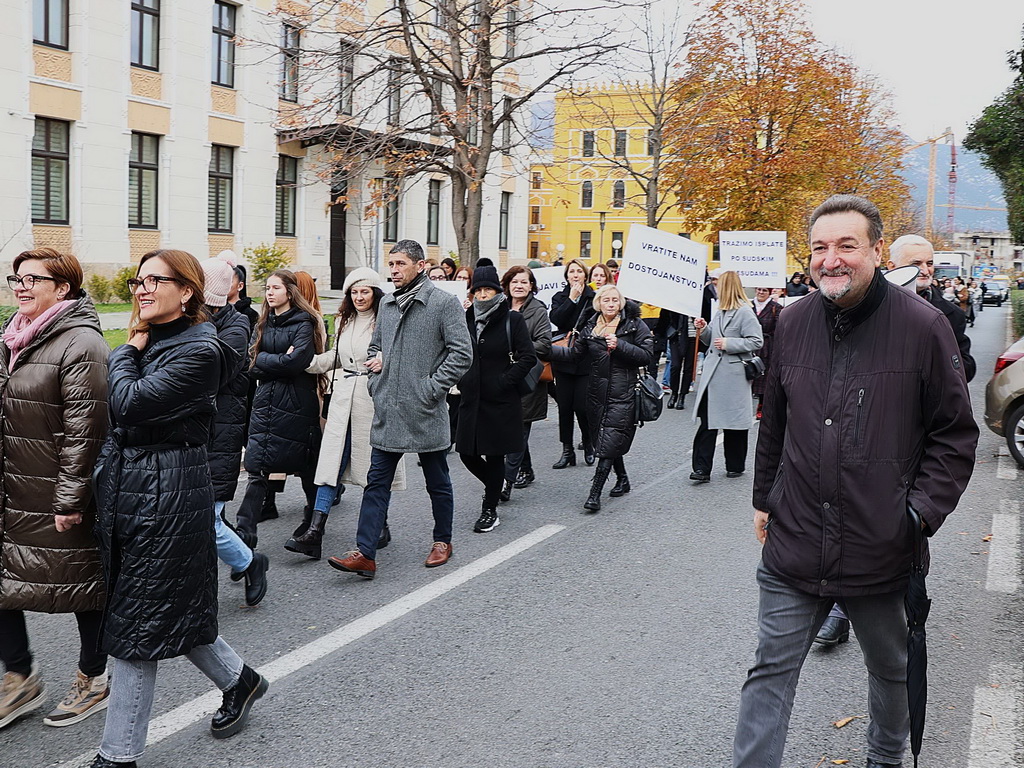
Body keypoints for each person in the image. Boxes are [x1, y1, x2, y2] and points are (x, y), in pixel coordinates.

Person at [733, 195, 978, 768]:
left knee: (890, 671)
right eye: (820, 247)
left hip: (881, 544)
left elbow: (954, 436)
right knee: (769, 670)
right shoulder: (790, 323)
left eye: (847, 246)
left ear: (874, 251)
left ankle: (885, 761)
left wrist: (915, 516)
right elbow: (776, 421)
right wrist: (764, 498)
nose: (831, 259)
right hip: (795, 539)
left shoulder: (923, 326)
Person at [91, 250, 268, 768]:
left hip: (169, 493)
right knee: (164, 608)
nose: (141, 289)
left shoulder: (200, 350)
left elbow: (125, 403)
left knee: (135, 624)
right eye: (137, 280)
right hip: (137, 488)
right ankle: (241, 679)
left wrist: (126, 350)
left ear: (186, 291)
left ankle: (118, 754)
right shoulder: (160, 340)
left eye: (154, 280)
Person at [0, 248, 110, 730]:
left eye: (32, 279)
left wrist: (70, 499)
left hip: (55, 492)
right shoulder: (13, 338)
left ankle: (95, 677)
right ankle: (20, 676)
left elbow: (86, 431)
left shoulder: (81, 343)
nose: (20, 287)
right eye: (15, 279)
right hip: (12, 487)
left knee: (80, 586)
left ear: (62, 288)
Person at [327, 240, 473, 579]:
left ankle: (442, 541)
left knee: (437, 479)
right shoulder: (389, 304)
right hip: (389, 407)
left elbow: (461, 354)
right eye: (390, 264)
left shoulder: (443, 304)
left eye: (400, 264)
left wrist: (430, 388)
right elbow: (376, 347)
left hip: (424, 407)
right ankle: (365, 553)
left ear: (419, 266)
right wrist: (376, 378)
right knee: (376, 481)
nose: (393, 270)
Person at [288, 267, 404, 559]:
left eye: (365, 291)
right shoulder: (344, 320)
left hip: (372, 400)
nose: (359, 297)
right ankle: (315, 531)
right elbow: (335, 357)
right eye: (354, 292)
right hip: (342, 402)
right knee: (331, 467)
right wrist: (304, 361)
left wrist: (383, 363)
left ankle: (380, 525)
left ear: (375, 293)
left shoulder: (387, 320)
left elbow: (397, 356)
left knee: (374, 469)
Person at [234, 270, 324, 548]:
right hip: (266, 401)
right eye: (268, 288)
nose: (269, 292)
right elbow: (251, 360)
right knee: (256, 466)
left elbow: (298, 361)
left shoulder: (304, 322)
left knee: (307, 466)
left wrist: (266, 360)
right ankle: (244, 534)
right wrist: (275, 360)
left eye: (275, 288)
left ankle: (313, 520)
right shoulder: (263, 322)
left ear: (289, 292)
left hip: (297, 403)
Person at [199, 258, 268, 607]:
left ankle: (251, 562)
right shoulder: (193, 321)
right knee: (192, 519)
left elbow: (208, 370)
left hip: (219, 432)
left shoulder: (236, 324)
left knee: (209, 519)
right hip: (194, 432)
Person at [551, 285, 653, 512]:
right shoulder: (589, 325)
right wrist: (544, 350)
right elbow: (574, 355)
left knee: (608, 442)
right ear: (598, 303)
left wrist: (620, 345)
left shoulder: (635, 324)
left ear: (621, 303)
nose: (610, 304)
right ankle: (623, 478)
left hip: (624, 393)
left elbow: (646, 356)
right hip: (596, 393)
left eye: (615, 300)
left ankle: (594, 494)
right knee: (607, 440)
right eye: (606, 300)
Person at [456, 266, 537, 532]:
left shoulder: (511, 319)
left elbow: (528, 358)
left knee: (494, 456)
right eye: (477, 290)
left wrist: (505, 381)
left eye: (487, 289)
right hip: (471, 398)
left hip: (500, 401)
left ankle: (489, 509)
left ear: (497, 290)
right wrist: (461, 380)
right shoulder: (465, 318)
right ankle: (495, 482)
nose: (482, 295)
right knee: (466, 452)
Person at [690, 271, 763, 484]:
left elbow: (756, 341)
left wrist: (730, 343)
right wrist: (702, 329)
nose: (715, 287)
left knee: (733, 424)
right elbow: (711, 339)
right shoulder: (720, 311)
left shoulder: (744, 312)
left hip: (732, 376)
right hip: (714, 375)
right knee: (708, 421)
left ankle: (735, 465)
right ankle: (702, 469)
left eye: (718, 284)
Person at [886, 235, 976, 384]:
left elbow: (966, 368)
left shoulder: (953, 314)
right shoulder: (866, 305)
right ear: (892, 266)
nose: (925, 270)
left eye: (929, 263)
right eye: (916, 263)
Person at [501, 266, 552, 497]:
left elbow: (545, 343)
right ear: (507, 285)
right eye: (515, 282)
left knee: (518, 426)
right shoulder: (499, 307)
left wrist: (519, 348)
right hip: (502, 376)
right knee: (513, 426)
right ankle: (526, 468)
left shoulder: (538, 311)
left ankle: (506, 482)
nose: (519, 286)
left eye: (524, 282)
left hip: (527, 375)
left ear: (531, 286)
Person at [549, 258, 596, 469]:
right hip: (564, 357)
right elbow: (558, 320)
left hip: (585, 358)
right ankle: (566, 449)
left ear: (585, 275)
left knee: (582, 406)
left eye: (579, 271)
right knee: (565, 407)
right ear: (566, 276)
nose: (575, 275)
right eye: (571, 272)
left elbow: (595, 324)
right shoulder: (560, 297)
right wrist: (571, 299)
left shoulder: (593, 298)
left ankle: (588, 442)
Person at [751, 286, 782, 421]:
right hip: (749, 345)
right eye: (758, 289)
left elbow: (780, 328)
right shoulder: (747, 306)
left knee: (764, 378)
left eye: (764, 290)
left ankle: (762, 406)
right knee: (747, 376)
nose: (761, 292)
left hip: (767, 346)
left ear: (769, 292)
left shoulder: (775, 307)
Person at [655, 309, 695, 410]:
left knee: (688, 368)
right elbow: (665, 316)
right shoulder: (676, 300)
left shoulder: (698, 300)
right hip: (676, 336)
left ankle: (682, 395)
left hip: (693, 336)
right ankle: (674, 393)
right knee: (675, 366)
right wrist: (659, 331)